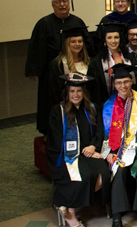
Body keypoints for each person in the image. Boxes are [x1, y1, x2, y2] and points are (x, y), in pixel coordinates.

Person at [47, 73, 111, 227]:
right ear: (67, 93)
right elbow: (56, 139)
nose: (76, 95)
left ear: (84, 92)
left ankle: (69, 203)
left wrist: (93, 147)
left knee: (106, 174)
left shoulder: (92, 108)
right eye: (72, 91)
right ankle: (71, 213)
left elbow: (99, 132)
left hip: (89, 152)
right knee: (83, 175)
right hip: (66, 154)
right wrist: (79, 150)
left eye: (79, 91)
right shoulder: (58, 111)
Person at [27, 0, 88, 134]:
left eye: (65, 1)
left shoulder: (77, 22)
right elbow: (36, 47)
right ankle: (52, 130)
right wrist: (34, 69)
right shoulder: (44, 23)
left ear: (69, 3)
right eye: (58, 2)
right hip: (51, 71)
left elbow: (87, 45)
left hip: (75, 67)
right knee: (50, 100)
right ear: (53, 4)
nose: (62, 5)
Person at [101, 64, 137, 227]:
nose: (122, 86)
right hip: (119, 151)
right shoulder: (109, 105)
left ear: (131, 81)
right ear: (114, 85)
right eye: (118, 83)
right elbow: (104, 134)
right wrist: (107, 152)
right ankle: (117, 218)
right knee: (118, 172)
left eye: (126, 81)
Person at [87, 22, 137, 105]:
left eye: (116, 37)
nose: (113, 41)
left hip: (130, 104)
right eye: (109, 38)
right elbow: (93, 88)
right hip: (106, 106)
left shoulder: (130, 58)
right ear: (105, 40)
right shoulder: (97, 62)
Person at [46, 26, 91, 118]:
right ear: (67, 44)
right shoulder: (59, 64)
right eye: (73, 41)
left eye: (80, 41)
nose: (77, 44)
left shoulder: (88, 62)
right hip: (67, 107)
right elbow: (55, 90)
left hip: (86, 105)